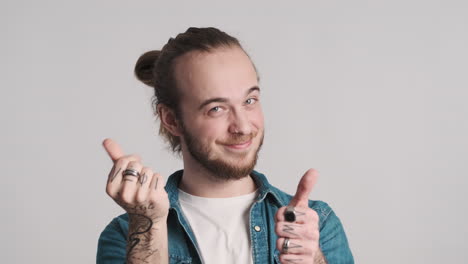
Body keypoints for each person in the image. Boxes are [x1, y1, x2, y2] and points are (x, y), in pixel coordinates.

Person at [97, 27, 354, 264]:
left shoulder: (315, 225)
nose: (242, 126)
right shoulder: (126, 235)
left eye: (250, 100)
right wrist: (149, 225)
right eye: (216, 108)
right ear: (172, 120)